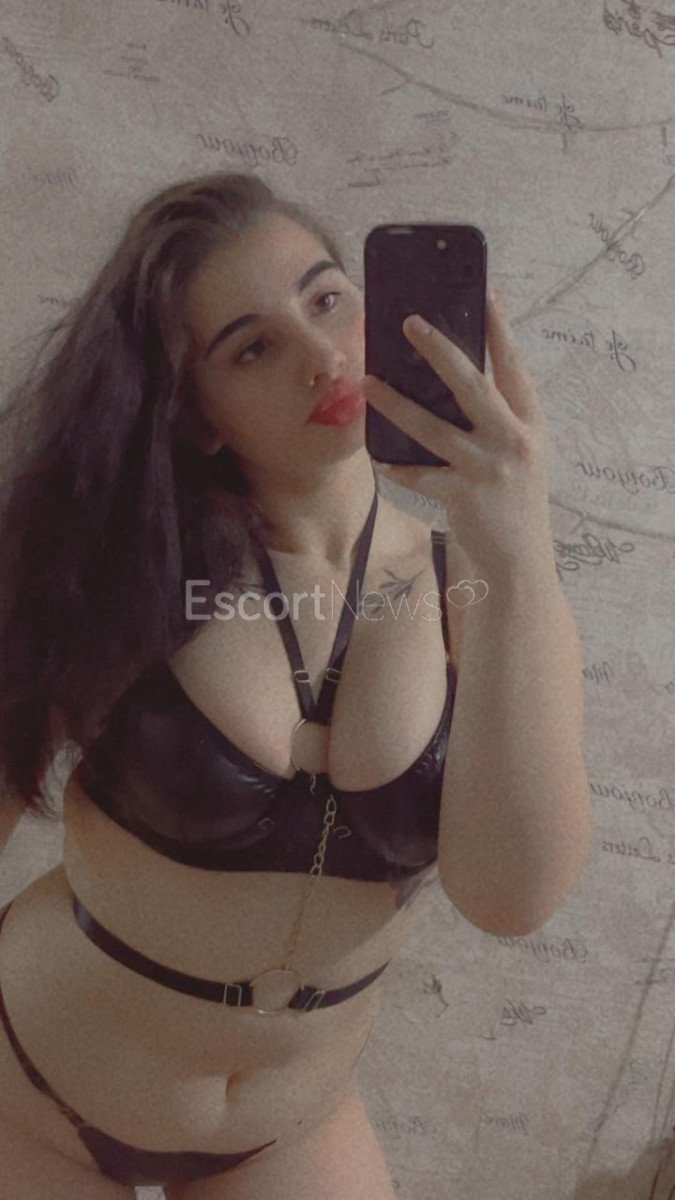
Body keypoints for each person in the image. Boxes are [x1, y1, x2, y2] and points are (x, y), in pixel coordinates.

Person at [0, 172, 464, 1198]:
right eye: (252, 347)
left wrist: (508, 521)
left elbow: (518, 891)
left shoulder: (472, 584)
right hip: (32, 1095)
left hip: (290, 1127)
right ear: (199, 415)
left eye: (328, 300)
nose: (321, 357)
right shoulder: (121, 569)